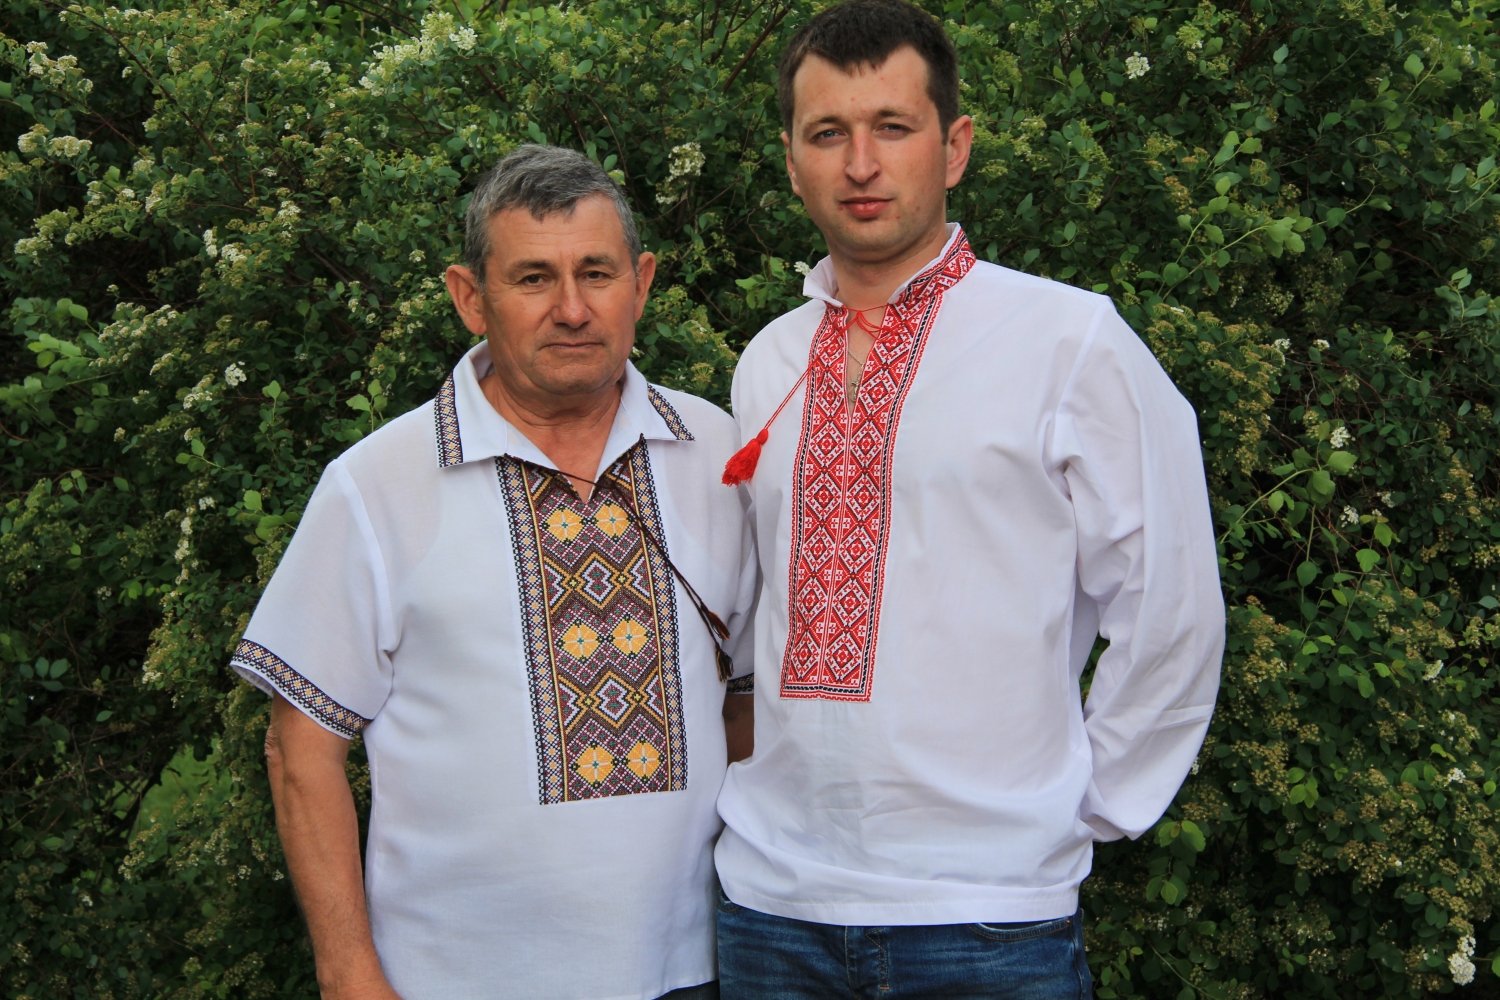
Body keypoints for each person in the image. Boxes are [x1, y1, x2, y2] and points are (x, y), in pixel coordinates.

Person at [714, 1, 1225, 996]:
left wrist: (1086, 809)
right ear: (793, 162)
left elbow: (1172, 604)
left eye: (892, 127)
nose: (861, 164)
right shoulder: (767, 361)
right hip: (772, 911)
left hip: (989, 923)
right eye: (828, 133)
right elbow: (749, 613)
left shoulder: (1069, 342)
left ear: (954, 148)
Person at [230, 144, 756, 1000]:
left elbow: (749, 702)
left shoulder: (718, 455)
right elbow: (301, 749)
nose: (573, 309)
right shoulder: (379, 485)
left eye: (596, 273)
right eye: (534, 279)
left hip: (698, 970)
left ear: (642, 283)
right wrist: (349, 974)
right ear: (470, 297)